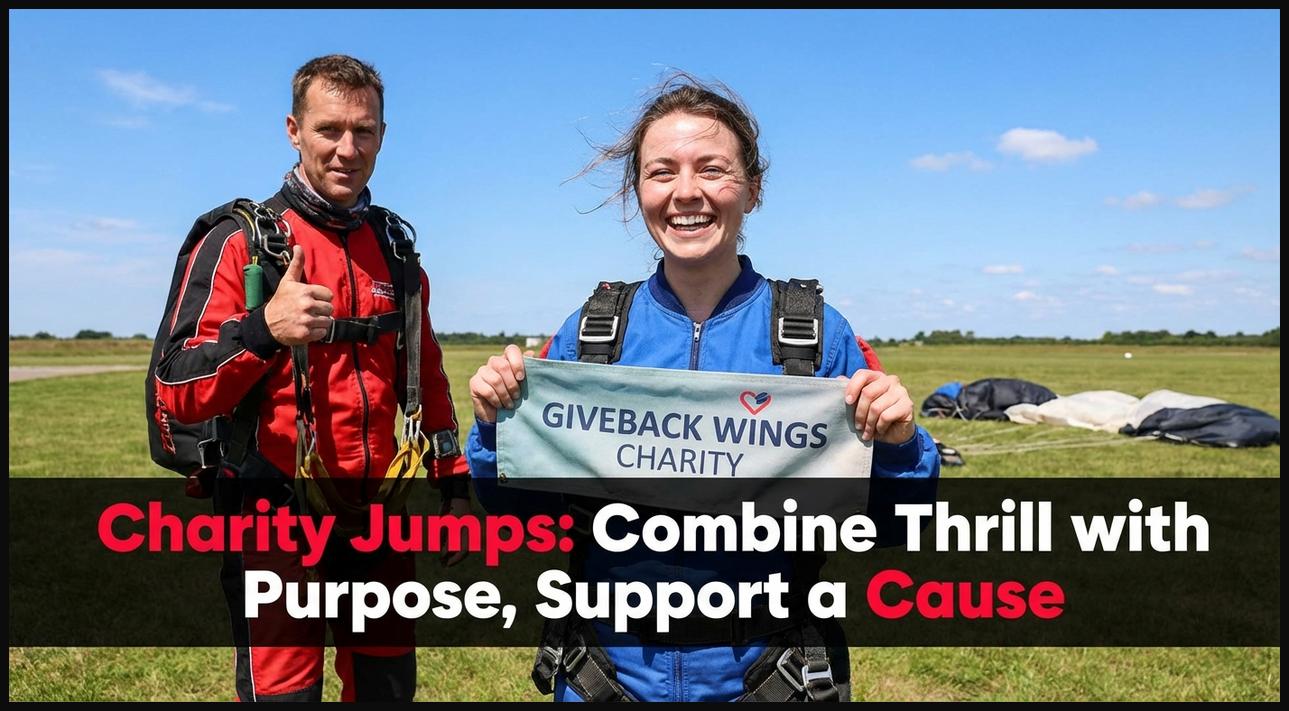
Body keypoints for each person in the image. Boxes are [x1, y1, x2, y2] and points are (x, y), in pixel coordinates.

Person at [465, 75, 940, 701]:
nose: (686, 193)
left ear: (752, 187)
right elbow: (521, 515)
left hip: (771, 675)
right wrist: (498, 428)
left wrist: (901, 444)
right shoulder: (593, 333)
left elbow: (894, 523)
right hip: (606, 676)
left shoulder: (812, 336)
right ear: (638, 193)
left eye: (711, 169)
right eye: (662, 172)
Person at [152, 54, 468, 702]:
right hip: (275, 517)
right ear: (293, 130)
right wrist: (263, 328)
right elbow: (176, 386)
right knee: (284, 695)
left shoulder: (397, 249)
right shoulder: (241, 242)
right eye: (329, 130)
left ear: (383, 133)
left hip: (380, 518)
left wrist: (452, 485)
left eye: (365, 131)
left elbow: (425, 373)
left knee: (386, 690)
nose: (347, 148)